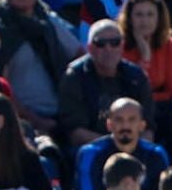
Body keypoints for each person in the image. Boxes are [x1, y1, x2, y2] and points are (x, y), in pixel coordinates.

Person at [0, 0, 81, 152]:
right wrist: (36, 121)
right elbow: (0, 85)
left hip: (60, 115)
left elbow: (80, 56)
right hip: (22, 122)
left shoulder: (47, 20)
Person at [65, 98, 167, 190]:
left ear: (142, 125)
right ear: (109, 125)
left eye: (131, 120)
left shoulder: (156, 155)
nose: (125, 126)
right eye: (119, 120)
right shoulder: (90, 153)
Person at [57, 18, 153, 150]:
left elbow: (148, 128)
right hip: (92, 149)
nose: (108, 49)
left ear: (122, 46)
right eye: (100, 44)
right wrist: (116, 146)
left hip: (133, 148)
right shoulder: (74, 77)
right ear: (90, 48)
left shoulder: (136, 76)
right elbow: (76, 133)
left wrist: (131, 147)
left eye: (115, 43)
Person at [119, 0, 172, 157]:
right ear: (130, 18)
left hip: (161, 107)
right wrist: (145, 59)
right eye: (139, 15)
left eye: (150, 15)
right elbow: (128, 90)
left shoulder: (169, 44)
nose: (145, 21)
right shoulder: (118, 45)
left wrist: (149, 99)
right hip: (128, 107)